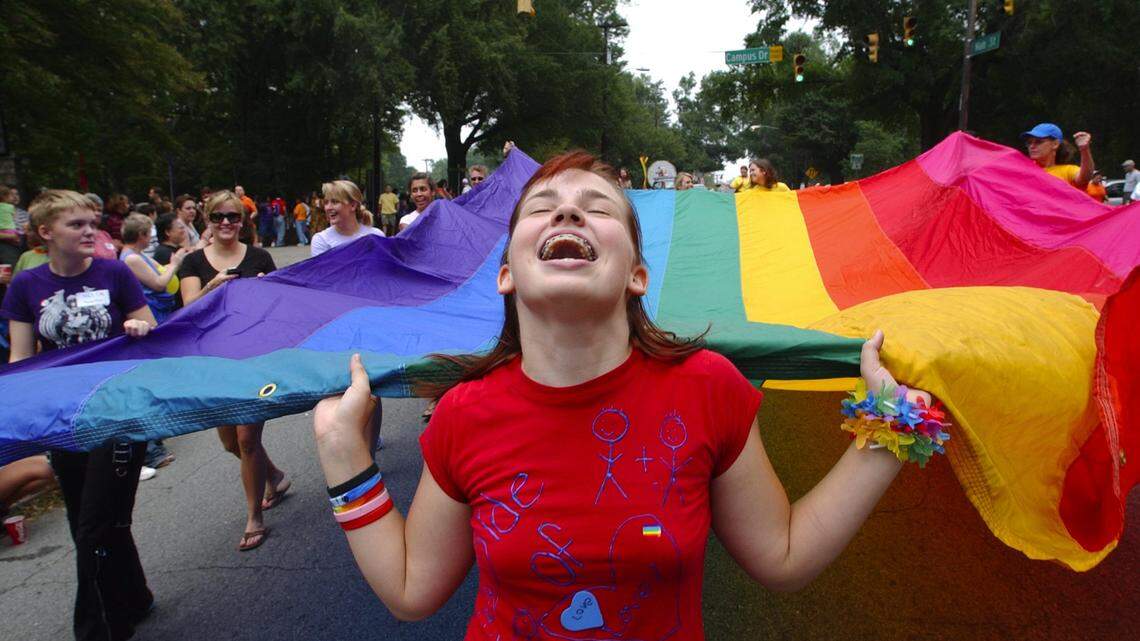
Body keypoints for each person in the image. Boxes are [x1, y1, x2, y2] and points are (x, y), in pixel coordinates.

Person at [310, 151, 940, 639]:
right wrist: (345, 460)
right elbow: (411, 591)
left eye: (598, 207)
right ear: (506, 273)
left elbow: (784, 556)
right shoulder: (463, 414)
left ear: (638, 275)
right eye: (543, 206)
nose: (567, 212)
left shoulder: (707, 389)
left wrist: (888, 432)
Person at [2, 189, 157, 641]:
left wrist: (139, 329)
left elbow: (150, 329)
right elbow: (20, 359)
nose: (90, 231)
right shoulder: (26, 286)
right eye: (76, 225)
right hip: (62, 418)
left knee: (95, 522)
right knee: (91, 521)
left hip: (118, 409)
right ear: (46, 233)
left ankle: (99, 628)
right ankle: (134, 597)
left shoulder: (115, 273)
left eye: (92, 223)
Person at [178, 190, 289, 551]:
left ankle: (254, 516)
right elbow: (187, 311)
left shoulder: (259, 257)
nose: (226, 223)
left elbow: (279, 306)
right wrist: (214, 285)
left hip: (252, 354)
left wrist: (260, 290)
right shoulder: (193, 262)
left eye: (233, 216)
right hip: (213, 358)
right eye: (218, 217)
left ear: (244, 221)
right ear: (207, 221)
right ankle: (273, 474)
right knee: (230, 442)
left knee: (246, 439)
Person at [120, 214, 185, 323]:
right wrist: (174, 264)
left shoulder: (139, 254)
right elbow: (158, 284)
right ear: (141, 235)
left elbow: (161, 269)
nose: (151, 237)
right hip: (153, 311)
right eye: (150, 233)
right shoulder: (132, 258)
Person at [310, 180, 385, 257]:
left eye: (335, 202)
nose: (328, 208)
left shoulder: (376, 236)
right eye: (326, 203)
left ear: (353, 205)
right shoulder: (321, 240)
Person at [1021, 123, 1095, 190]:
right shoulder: (1023, 169)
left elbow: (1084, 178)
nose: (1032, 146)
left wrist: (1084, 149)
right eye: (1029, 143)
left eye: (1038, 142)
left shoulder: (1067, 171)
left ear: (1055, 144)